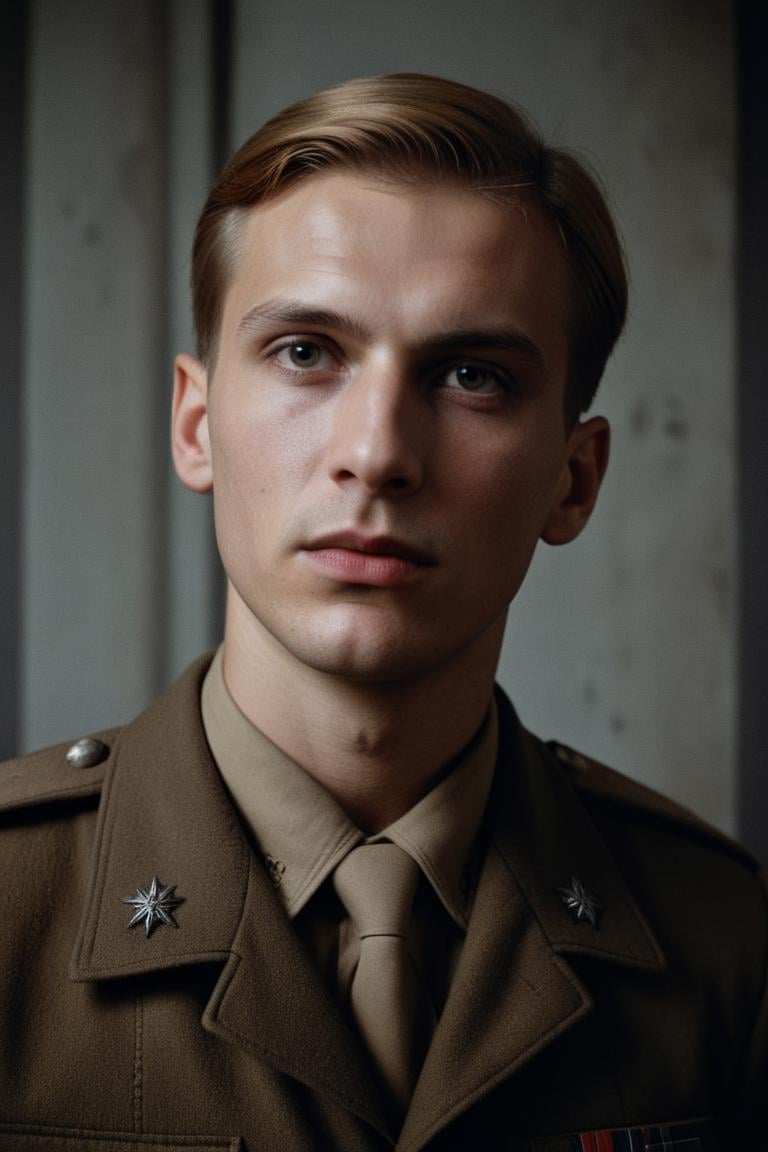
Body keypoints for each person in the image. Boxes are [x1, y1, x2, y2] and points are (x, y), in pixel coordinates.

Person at [0, 72, 764, 1152]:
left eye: (471, 375)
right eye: (307, 353)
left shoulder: (722, 942)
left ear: (574, 480)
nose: (378, 453)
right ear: (196, 424)